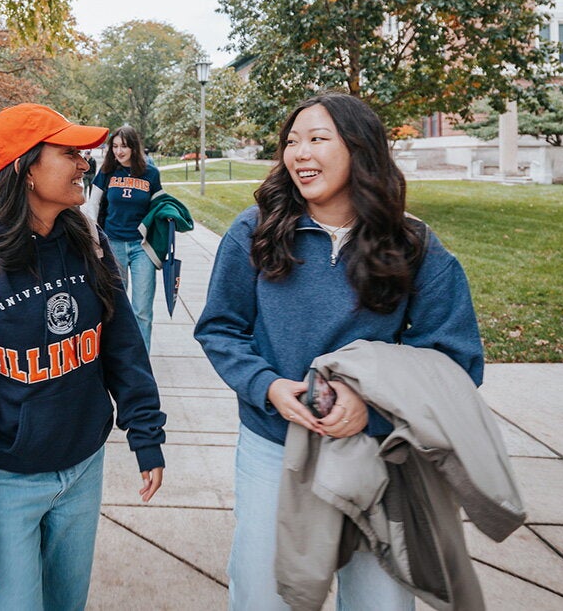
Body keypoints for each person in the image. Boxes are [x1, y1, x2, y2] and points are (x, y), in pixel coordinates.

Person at [194, 92, 484, 611]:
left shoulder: (415, 244)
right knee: (265, 595)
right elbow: (220, 328)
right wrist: (267, 387)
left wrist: (371, 407)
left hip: (376, 454)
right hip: (273, 447)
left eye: (318, 139)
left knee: (383, 601)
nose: (300, 153)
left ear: (359, 149)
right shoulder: (254, 231)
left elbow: (456, 357)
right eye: (292, 141)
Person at [0, 103, 166, 610]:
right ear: (26, 168)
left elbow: (123, 347)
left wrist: (145, 432)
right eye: (69, 153)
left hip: (84, 469)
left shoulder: (89, 241)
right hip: (5, 484)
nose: (85, 163)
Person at [82, 125, 163, 351]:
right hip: (113, 245)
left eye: (124, 146)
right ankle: (118, 357)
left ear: (134, 147)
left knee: (142, 309)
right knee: (116, 305)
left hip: (141, 247)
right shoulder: (107, 171)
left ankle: (142, 358)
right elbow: (93, 204)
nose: (119, 151)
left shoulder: (150, 174)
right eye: (115, 146)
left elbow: (159, 206)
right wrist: (94, 237)